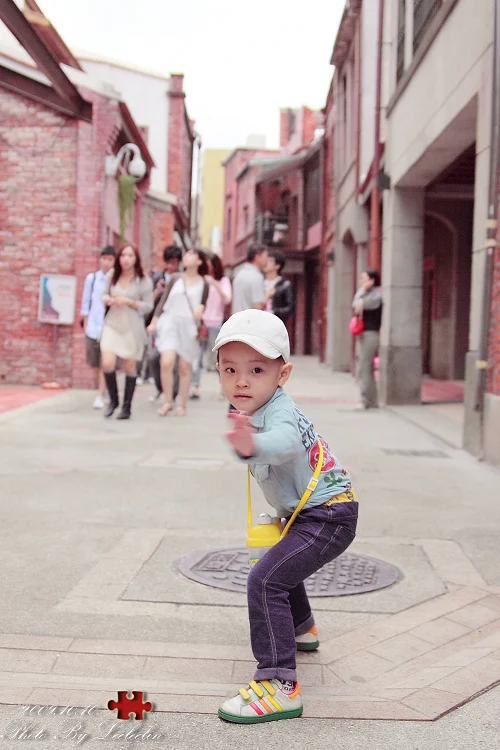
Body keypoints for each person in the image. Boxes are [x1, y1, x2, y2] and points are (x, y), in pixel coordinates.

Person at [213, 310, 358, 724]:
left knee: (264, 581)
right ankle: (302, 629)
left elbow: (284, 443)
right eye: (229, 369)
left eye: (256, 369)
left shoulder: (279, 411)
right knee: (276, 566)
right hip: (312, 512)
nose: (241, 381)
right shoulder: (248, 403)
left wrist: (248, 446)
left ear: (283, 374)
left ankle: (279, 684)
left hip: (329, 516)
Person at [147, 248, 209, 417]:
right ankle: (168, 401)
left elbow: (203, 305)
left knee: (184, 366)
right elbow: (163, 301)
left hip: (189, 325)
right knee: (166, 362)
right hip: (170, 321)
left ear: (199, 261)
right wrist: (154, 321)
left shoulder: (204, 283)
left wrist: (200, 310)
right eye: (187, 254)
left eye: (192, 255)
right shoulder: (175, 278)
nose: (187, 257)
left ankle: (182, 403)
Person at [100, 245, 153, 420]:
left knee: (130, 366)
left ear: (136, 258)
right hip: (113, 323)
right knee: (107, 362)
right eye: (123, 255)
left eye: (130, 255)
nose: (126, 259)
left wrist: (129, 302)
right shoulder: (112, 275)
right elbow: (103, 294)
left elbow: (148, 306)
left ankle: (126, 406)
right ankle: (113, 400)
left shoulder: (143, 280)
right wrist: (109, 300)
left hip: (132, 326)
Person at [190, 252, 232, 400]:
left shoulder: (223, 280)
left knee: (216, 357)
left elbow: (227, 299)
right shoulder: (200, 280)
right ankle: (194, 387)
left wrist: (213, 283)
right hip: (201, 323)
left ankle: (223, 386)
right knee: (197, 355)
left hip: (215, 323)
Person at [80, 246, 116, 409]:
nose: (107, 263)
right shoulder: (92, 279)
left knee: (104, 363)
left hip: (108, 327)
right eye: (104, 258)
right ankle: (104, 388)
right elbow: (86, 301)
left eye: (110, 259)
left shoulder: (115, 280)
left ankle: (100, 394)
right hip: (93, 326)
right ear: (100, 259)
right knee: (94, 363)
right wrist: (86, 323)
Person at [147, 245, 183, 398]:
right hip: (156, 321)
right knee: (153, 356)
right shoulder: (156, 277)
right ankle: (161, 387)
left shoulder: (182, 279)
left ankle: (173, 392)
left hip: (176, 323)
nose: (171, 266)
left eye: (174, 262)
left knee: (173, 360)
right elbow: (148, 301)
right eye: (169, 262)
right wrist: (157, 292)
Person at [352, 269, 383, 410]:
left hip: (371, 334)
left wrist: (362, 293)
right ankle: (371, 401)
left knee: (365, 367)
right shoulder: (366, 293)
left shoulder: (377, 295)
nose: (361, 282)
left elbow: (361, 305)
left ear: (372, 280)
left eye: (364, 279)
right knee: (365, 368)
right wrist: (362, 292)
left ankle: (366, 401)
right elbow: (355, 304)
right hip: (363, 334)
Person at [232, 244, 268, 314]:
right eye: (265, 257)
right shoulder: (256, 277)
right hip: (250, 322)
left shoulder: (239, 274)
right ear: (257, 257)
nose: (266, 260)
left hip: (237, 320)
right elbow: (258, 306)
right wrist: (267, 295)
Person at [264, 249, 294, 323]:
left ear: (277, 266)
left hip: (275, 324)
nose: (266, 263)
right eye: (265, 259)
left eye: (270, 260)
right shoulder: (259, 282)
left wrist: (273, 311)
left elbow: (290, 308)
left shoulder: (285, 284)